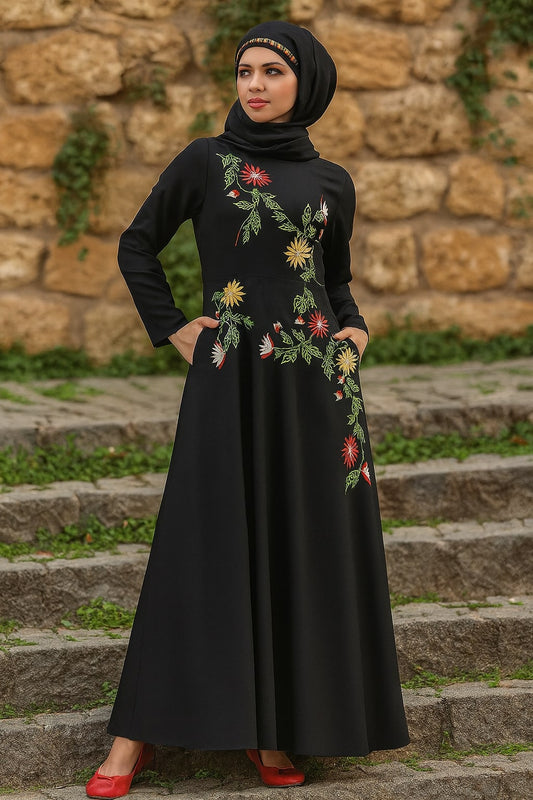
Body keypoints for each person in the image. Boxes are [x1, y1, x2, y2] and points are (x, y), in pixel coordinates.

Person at [85, 19, 409, 798]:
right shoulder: (207, 160)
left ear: (308, 85)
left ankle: (272, 732)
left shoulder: (330, 181)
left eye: (272, 72)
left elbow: (335, 282)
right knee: (203, 539)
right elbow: (138, 243)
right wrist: (172, 329)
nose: (255, 84)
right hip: (230, 377)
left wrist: (354, 330)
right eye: (245, 71)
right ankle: (133, 741)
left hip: (315, 387)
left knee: (297, 542)